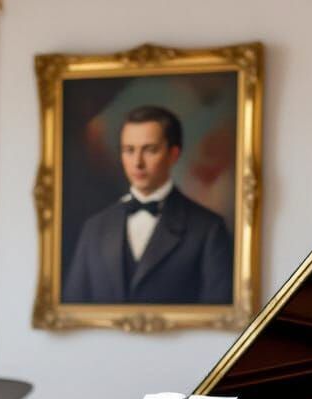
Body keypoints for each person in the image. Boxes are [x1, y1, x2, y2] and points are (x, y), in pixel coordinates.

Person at [63, 105, 233, 305]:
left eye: (150, 150)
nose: (137, 162)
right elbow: (73, 311)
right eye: (129, 150)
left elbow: (218, 318)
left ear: (173, 154)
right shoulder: (95, 228)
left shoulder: (209, 229)